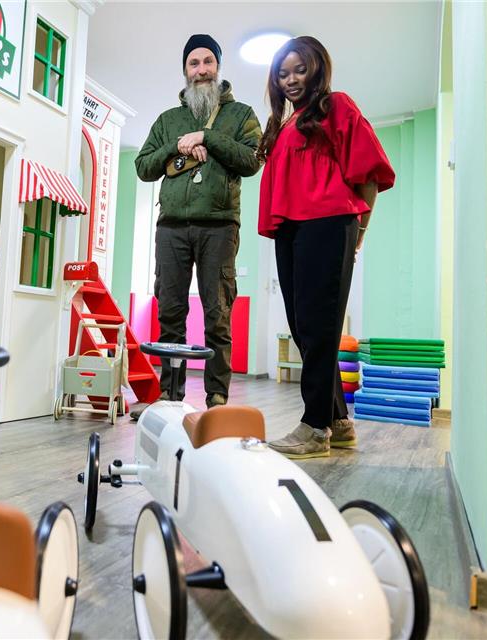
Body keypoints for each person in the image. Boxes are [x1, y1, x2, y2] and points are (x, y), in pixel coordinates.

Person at [257, 36, 395, 458]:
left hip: (329, 222)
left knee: (319, 326)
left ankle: (314, 426)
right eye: (283, 74)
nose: (291, 80)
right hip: (291, 227)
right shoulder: (284, 125)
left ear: (317, 69)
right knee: (303, 327)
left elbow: (369, 174)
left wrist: (360, 231)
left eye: (300, 70)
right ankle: (337, 419)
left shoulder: (337, 106)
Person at [134, 34, 262, 412]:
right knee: (170, 312)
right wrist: (177, 145)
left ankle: (217, 398)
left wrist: (208, 137)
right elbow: (143, 167)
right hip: (170, 228)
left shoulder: (241, 115)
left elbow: (252, 160)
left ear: (218, 67)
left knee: (217, 313)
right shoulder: (167, 120)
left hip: (219, 227)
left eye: (208, 62)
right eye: (194, 63)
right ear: (185, 71)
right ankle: (170, 395)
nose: (201, 70)